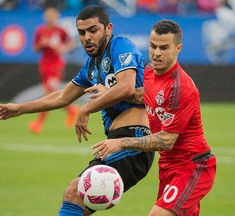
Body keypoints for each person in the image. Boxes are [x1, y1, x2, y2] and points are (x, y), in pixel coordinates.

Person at [0, 5, 154, 216]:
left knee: (74, 193)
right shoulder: (91, 66)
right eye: (81, 32)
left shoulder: (120, 45)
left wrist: (86, 109)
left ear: (108, 29)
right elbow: (63, 96)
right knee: (75, 198)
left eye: (93, 30)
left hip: (134, 142)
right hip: (116, 142)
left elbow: (126, 86)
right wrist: (20, 108)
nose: (86, 37)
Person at [92, 19, 217, 216]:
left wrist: (121, 143)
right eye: (153, 46)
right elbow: (142, 94)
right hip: (168, 166)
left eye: (164, 47)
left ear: (178, 49)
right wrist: (108, 93)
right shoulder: (150, 71)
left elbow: (166, 140)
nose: (156, 53)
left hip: (192, 166)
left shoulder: (180, 88)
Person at [29, 6, 78, 133]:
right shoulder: (40, 31)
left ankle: (38, 123)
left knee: (48, 93)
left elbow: (71, 43)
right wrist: (41, 44)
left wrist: (63, 49)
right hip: (44, 64)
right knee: (50, 93)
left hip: (56, 64)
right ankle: (71, 110)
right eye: (48, 16)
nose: (50, 18)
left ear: (56, 17)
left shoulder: (60, 31)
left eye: (53, 16)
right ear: (45, 17)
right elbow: (35, 48)